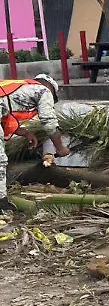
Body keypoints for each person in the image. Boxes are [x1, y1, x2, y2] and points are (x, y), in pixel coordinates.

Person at [0, 75, 71, 212]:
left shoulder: (18, 88)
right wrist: (60, 148)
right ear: (50, 87)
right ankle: (1, 203)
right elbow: (49, 123)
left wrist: (25, 132)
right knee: (0, 161)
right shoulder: (43, 90)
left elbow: (5, 113)